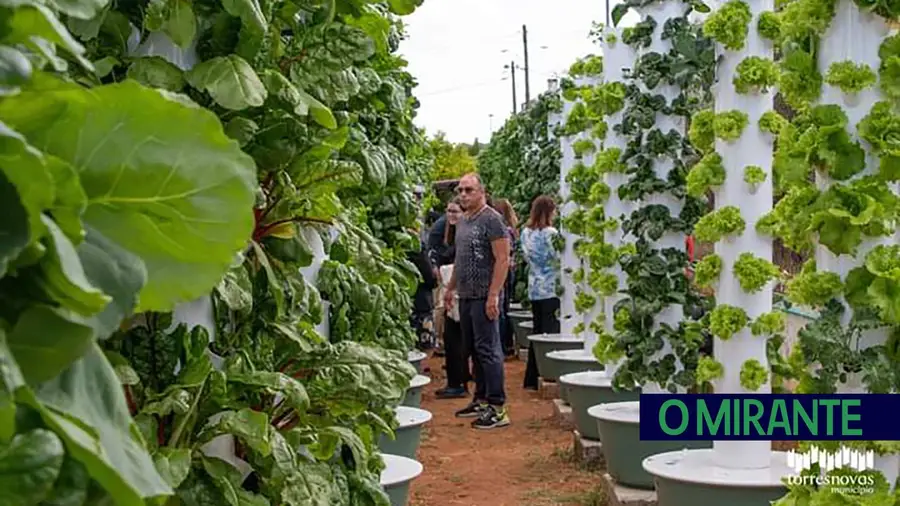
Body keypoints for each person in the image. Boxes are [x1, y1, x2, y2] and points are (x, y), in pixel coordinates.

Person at [443, 173, 511, 429]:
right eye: (460, 190)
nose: (463, 195)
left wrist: (494, 294)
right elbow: (460, 261)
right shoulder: (463, 222)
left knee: (489, 350)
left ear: (482, 191)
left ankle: (497, 407)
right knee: (472, 349)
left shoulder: (492, 220)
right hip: (467, 296)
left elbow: (503, 259)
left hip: (485, 296)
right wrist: (451, 289)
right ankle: (481, 399)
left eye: (469, 190)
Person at [520, 195, 561, 390]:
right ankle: (549, 372)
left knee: (537, 332)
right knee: (550, 332)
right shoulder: (551, 233)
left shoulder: (525, 233)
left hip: (534, 287)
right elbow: (559, 257)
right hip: (551, 287)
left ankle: (531, 377)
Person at [491, 198, 520, 357]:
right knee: (504, 306)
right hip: (510, 271)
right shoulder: (512, 230)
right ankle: (507, 344)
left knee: (500, 308)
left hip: (503, 270)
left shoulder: (502, 231)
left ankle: (501, 345)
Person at [408, 231, 438, 351]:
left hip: (407, 302)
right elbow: (429, 276)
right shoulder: (415, 245)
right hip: (420, 301)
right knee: (423, 343)